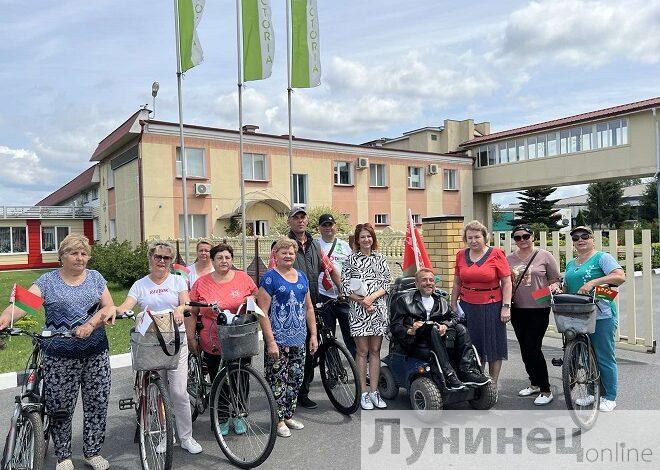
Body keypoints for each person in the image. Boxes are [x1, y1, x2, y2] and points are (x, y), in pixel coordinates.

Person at [0, 234, 116, 470]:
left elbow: (109, 306)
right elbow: (23, 305)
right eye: (74, 253)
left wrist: (90, 325)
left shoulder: (95, 278)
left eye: (84, 253)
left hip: (95, 353)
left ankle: (92, 452)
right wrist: (3, 319)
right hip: (59, 356)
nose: (80, 258)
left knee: (97, 403)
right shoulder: (47, 281)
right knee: (60, 408)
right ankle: (63, 455)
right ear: (62, 256)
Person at [116, 241, 202, 454]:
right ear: (150, 258)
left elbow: (185, 301)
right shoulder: (140, 284)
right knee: (158, 392)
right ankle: (166, 434)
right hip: (151, 344)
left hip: (175, 341)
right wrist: (116, 311)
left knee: (179, 392)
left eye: (166, 258)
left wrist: (181, 308)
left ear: (171, 261)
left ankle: (186, 437)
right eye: (158, 257)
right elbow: (127, 305)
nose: (162, 261)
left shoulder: (177, 281)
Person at [188, 243, 257, 435]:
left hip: (239, 338)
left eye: (227, 257)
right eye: (219, 258)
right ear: (213, 260)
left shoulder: (243, 278)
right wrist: (191, 338)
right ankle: (223, 417)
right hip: (213, 340)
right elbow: (192, 312)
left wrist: (248, 301)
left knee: (240, 378)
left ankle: (240, 414)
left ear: (232, 259)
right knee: (219, 379)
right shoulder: (201, 283)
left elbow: (256, 296)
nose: (224, 261)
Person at [256, 238, 318, 438]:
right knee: (277, 381)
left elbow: (308, 307)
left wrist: (313, 334)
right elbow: (262, 312)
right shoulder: (269, 278)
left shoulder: (301, 276)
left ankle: (289, 415)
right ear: (275, 255)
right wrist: (270, 341)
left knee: (295, 379)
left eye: (291, 252)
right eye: (284, 252)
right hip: (278, 340)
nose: (288, 256)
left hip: (299, 338)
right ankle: (279, 420)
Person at [390, 268, 490, 390]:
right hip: (413, 341)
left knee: (461, 328)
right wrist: (409, 330)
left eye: (431, 280)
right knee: (431, 328)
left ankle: (467, 371)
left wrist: (445, 325)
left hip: (438, 339)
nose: (428, 283)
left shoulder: (440, 301)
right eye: (424, 280)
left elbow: (454, 317)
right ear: (416, 284)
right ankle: (449, 373)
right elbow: (395, 326)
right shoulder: (404, 300)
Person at [563, 226, 625, 412]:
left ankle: (609, 396)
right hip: (578, 314)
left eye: (585, 236)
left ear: (592, 239)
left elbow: (620, 277)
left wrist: (592, 282)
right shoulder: (571, 264)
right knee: (585, 354)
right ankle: (591, 392)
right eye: (576, 237)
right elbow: (569, 287)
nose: (580, 240)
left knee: (603, 356)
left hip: (602, 314)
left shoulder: (602, 258)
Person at [286, 207, 340, 409]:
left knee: (310, 351)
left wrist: (342, 290)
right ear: (289, 222)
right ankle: (286, 393)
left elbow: (330, 269)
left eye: (303, 217)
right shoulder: (284, 245)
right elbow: (274, 273)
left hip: (312, 306)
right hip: (290, 308)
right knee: (291, 354)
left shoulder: (316, 246)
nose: (300, 221)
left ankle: (303, 392)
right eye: (296, 218)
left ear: (307, 221)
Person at [450, 220, 512, 390]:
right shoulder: (461, 255)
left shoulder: (497, 254)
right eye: (469, 237)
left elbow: (506, 282)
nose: (473, 240)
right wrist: (453, 303)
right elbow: (457, 282)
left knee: (493, 345)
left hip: (492, 305)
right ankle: (478, 380)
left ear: (485, 237)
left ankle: (492, 383)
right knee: (472, 344)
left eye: (477, 236)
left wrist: (506, 307)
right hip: (468, 306)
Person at [506, 224, 561, 405]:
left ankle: (546, 389)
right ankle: (534, 382)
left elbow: (555, 280)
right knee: (524, 347)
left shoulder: (544, 255)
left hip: (539, 307)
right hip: (517, 308)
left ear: (532, 237)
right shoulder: (509, 259)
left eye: (526, 236)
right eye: (518, 237)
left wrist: (552, 287)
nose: (522, 240)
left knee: (533, 347)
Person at [341, 223, 391, 410]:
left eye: (369, 236)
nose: (366, 240)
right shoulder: (350, 260)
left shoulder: (381, 258)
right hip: (359, 310)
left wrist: (371, 299)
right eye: (362, 237)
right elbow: (345, 288)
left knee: (376, 350)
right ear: (357, 239)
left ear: (373, 238)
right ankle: (363, 392)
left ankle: (374, 391)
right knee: (362, 351)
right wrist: (363, 301)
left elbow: (386, 284)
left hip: (377, 309)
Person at [315, 213, 356, 358]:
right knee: (327, 335)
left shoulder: (344, 246)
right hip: (323, 295)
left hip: (342, 297)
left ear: (335, 227)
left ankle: (359, 369)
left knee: (350, 334)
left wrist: (347, 290)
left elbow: (352, 270)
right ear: (319, 228)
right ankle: (332, 370)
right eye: (324, 225)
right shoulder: (315, 245)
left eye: (330, 225)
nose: (328, 228)